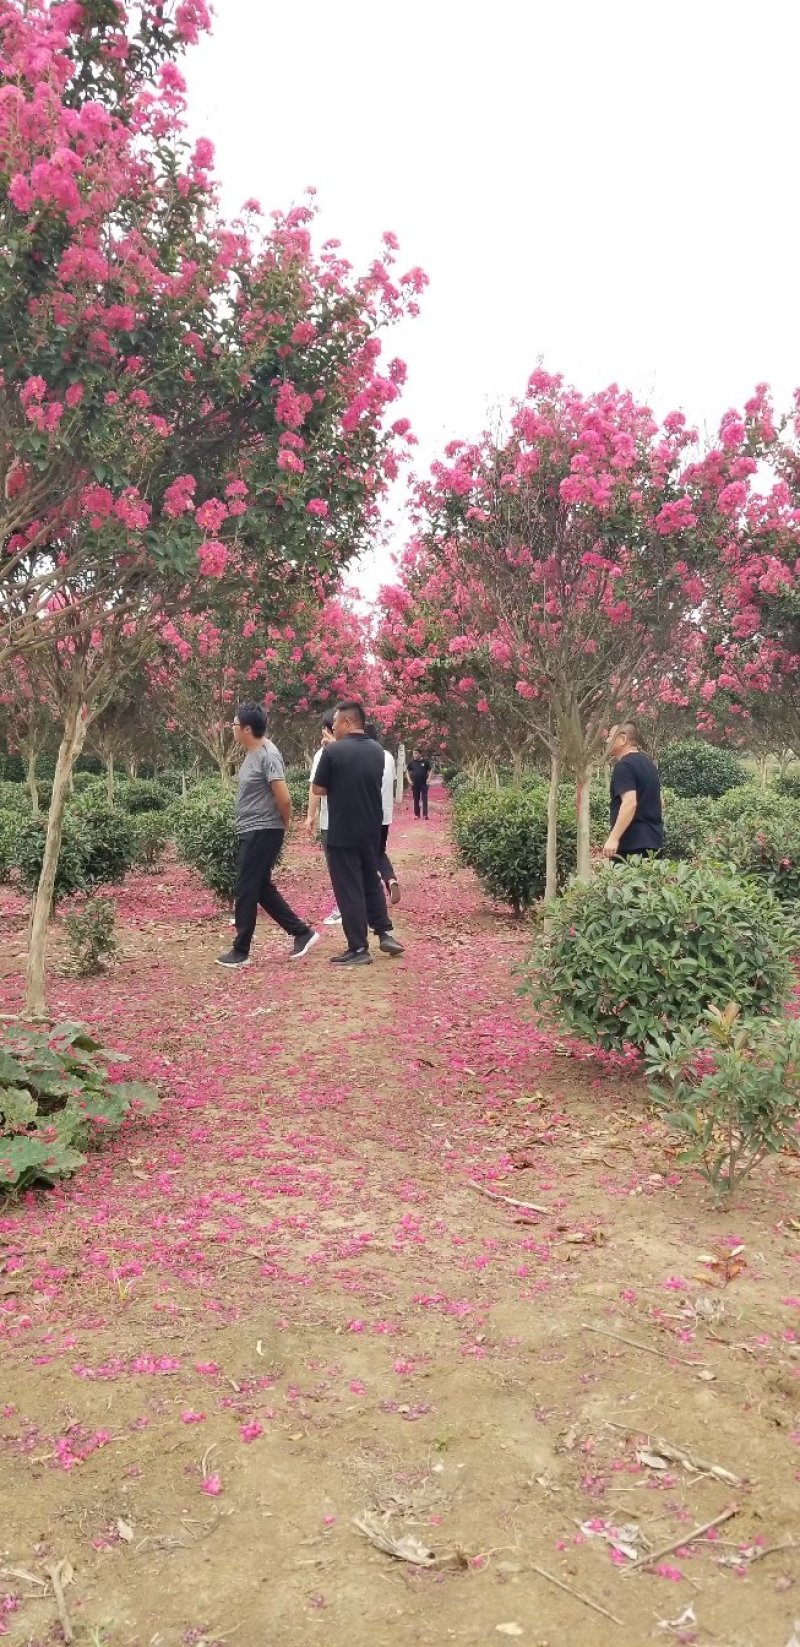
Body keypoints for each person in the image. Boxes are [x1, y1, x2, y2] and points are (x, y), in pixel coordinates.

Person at [216, 703, 319, 968]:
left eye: (234, 725)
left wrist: (284, 825)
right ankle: (302, 933)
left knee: (245, 889)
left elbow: (283, 798)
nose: (232, 729)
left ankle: (241, 951)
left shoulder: (267, 754)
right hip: (254, 829)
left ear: (247, 729)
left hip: (263, 830)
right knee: (260, 888)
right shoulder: (252, 753)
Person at [312, 700, 405, 966]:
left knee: (348, 888)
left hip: (342, 830)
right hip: (371, 828)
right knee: (370, 882)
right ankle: (383, 931)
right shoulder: (377, 751)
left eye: (336, 723)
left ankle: (357, 948)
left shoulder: (333, 753)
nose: (333, 728)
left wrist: (331, 755)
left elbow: (319, 789)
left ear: (347, 722)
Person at [602, 720, 664, 861]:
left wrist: (613, 838)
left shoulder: (624, 766)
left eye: (610, 736)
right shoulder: (649, 764)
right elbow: (661, 801)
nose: (607, 741)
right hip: (654, 844)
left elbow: (629, 803)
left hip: (631, 848)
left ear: (622, 739)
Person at [306, 714, 342, 925]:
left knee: (337, 867)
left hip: (332, 823)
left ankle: (341, 907)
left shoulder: (325, 754)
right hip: (360, 821)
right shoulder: (364, 750)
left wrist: (310, 816)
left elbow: (315, 788)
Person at [365, 721, 401, 905]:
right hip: (385, 814)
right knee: (379, 851)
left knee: (364, 854)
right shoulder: (388, 756)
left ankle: (372, 894)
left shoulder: (365, 755)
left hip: (367, 814)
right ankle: (390, 878)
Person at [407, 749, 431, 819]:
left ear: (420, 754)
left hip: (423, 784)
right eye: (413, 754)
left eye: (416, 753)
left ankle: (425, 815)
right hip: (415, 784)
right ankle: (417, 815)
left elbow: (430, 770)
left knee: (424, 799)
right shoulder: (411, 763)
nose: (414, 755)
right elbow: (407, 771)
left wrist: (429, 779)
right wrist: (409, 780)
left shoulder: (425, 762)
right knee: (416, 799)